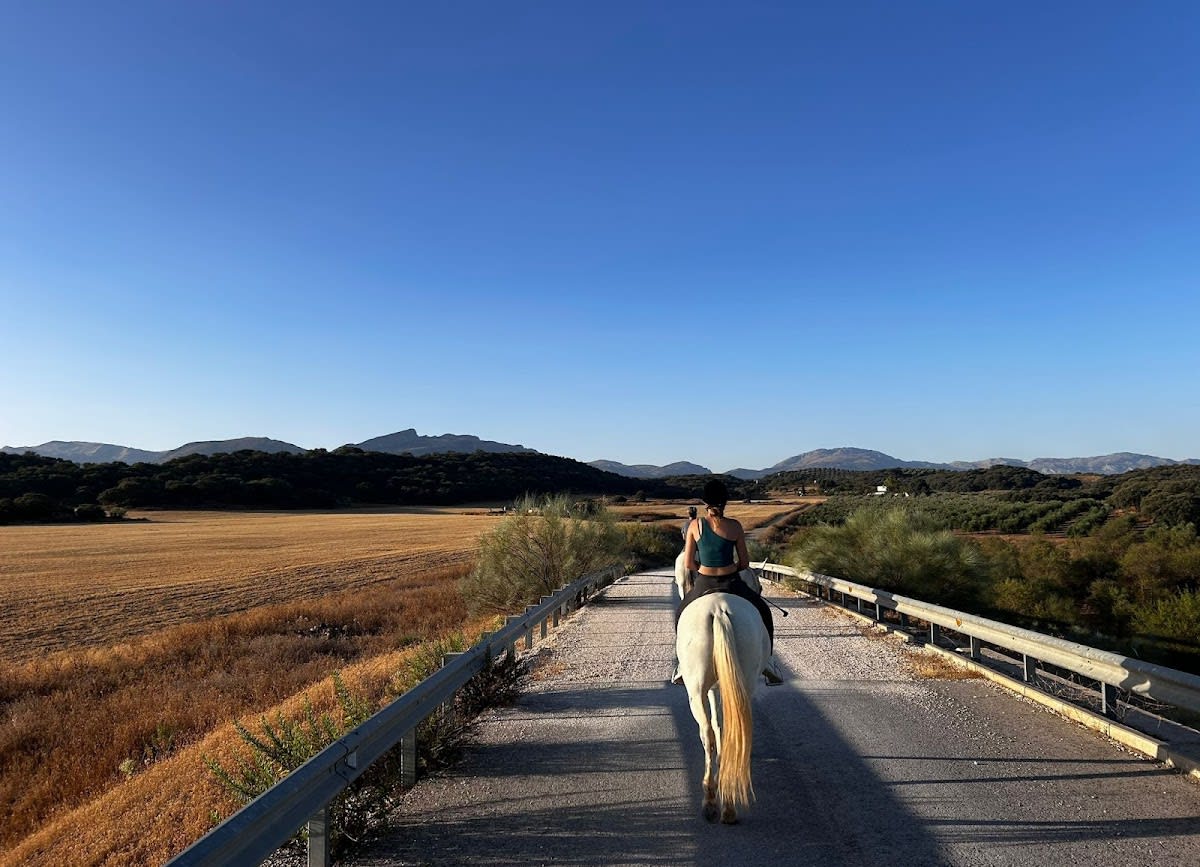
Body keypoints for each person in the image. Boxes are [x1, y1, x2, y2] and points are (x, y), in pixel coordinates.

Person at [672, 480, 784, 686]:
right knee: (763, 611)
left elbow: (688, 562)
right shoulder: (735, 526)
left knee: (681, 612)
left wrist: (703, 568)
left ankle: (681, 665)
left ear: (704, 502)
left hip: (704, 582)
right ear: (725, 502)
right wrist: (731, 568)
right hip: (732, 582)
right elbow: (744, 563)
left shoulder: (695, 526)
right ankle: (768, 662)